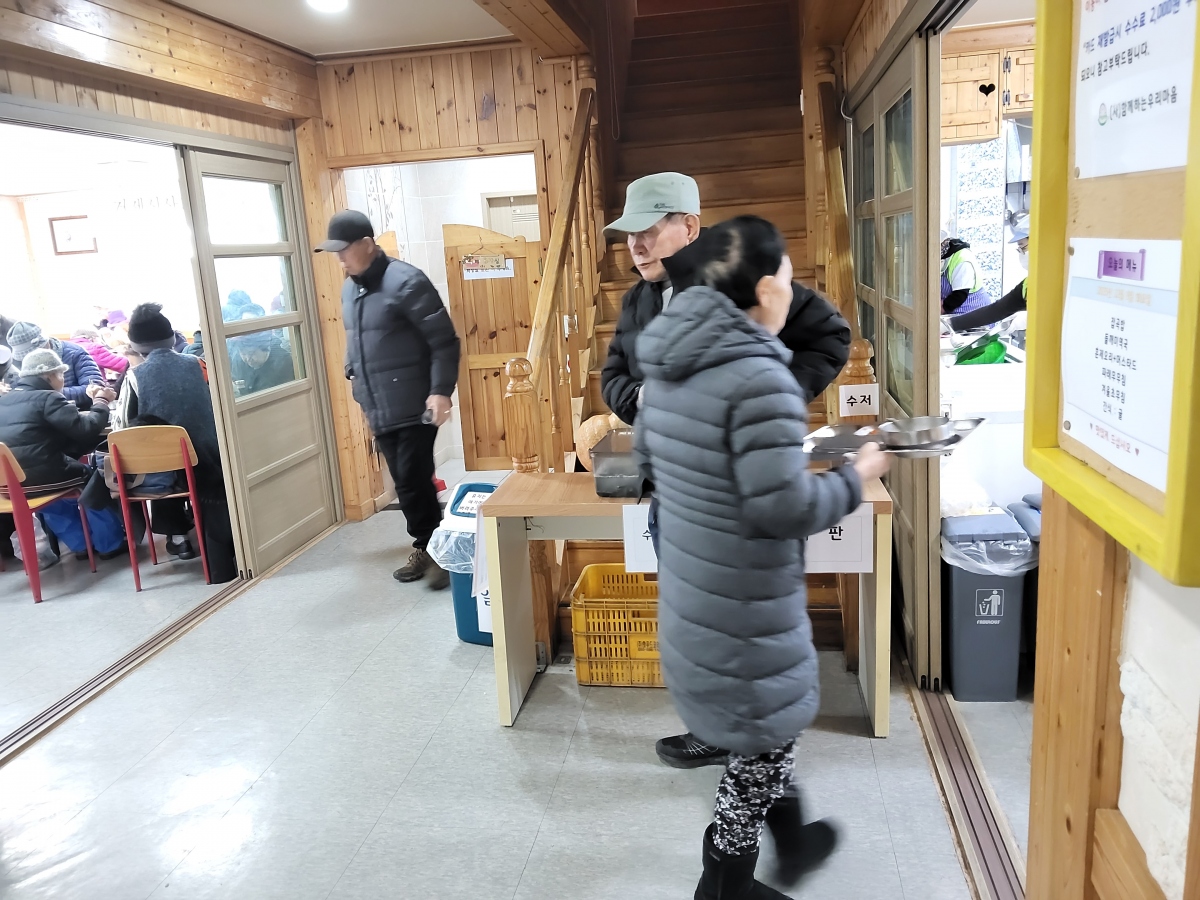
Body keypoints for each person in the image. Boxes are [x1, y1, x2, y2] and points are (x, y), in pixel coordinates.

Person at [634, 217, 892, 898]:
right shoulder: (761, 377)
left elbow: (652, 462)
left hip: (693, 596)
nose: (791, 289)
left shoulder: (666, 365)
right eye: (786, 277)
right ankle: (723, 885)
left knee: (762, 734)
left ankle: (796, 840)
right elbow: (785, 509)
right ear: (766, 290)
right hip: (746, 611)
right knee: (762, 745)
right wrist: (858, 475)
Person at [602, 172, 853, 770]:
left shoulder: (742, 273)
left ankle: (749, 748)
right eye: (629, 234)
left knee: (739, 616)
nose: (636, 245)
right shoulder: (638, 299)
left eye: (648, 229)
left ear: (690, 226)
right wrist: (644, 401)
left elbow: (830, 337)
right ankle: (721, 730)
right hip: (677, 493)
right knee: (695, 614)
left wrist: (761, 399)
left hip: (743, 492)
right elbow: (614, 375)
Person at [316, 209, 460, 590]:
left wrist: (440, 391)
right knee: (404, 481)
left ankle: (435, 550)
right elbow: (357, 338)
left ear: (367, 245)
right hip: (377, 404)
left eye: (344, 250)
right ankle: (433, 546)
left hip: (415, 402)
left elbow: (444, 341)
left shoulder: (407, 282)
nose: (339, 258)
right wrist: (351, 370)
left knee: (412, 477)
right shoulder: (350, 289)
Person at [112, 303, 238, 581]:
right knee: (180, 453)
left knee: (158, 458)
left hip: (169, 473)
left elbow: (121, 429)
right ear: (172, 338)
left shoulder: (134, 377)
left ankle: (178, 538)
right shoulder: (198, 364)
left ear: (135, 346)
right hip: (212, 461)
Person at [0, 348, 126, 561]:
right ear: (50, 375)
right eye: (62, 374)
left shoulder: (4, 400)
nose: (63, 380)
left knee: (47, 492)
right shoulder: (48, 398)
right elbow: (86, 429)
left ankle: (80, 544)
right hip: (46, 476)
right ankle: (109, 543)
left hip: (9, 484)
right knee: (90, 477)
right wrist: (101, 402)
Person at [949, 221, 1029, 332]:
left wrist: (1028, 318)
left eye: (1023, 248)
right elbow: (996, 310)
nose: (1021, 253)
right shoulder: (1027, 285)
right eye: (1019, 250)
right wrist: (950, 325)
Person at [6, 322, 104, 407]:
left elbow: (95, 388)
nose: (31, 359)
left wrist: (46, 394)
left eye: (35, 354)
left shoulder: (74, 353)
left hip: (77, 413)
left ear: (46, 343)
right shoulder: (17, 362)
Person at [229, 330, 296, 397]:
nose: (248, 358)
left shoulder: (285, 365)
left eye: (251, 353)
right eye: (243, 354)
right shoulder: (237, 362)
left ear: (266, 347)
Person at [940, 234, 992, 315]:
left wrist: (940, 309)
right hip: (953, 312)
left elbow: (959, 295)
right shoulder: (942, 256)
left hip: (972, 313)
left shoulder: (962, 259)